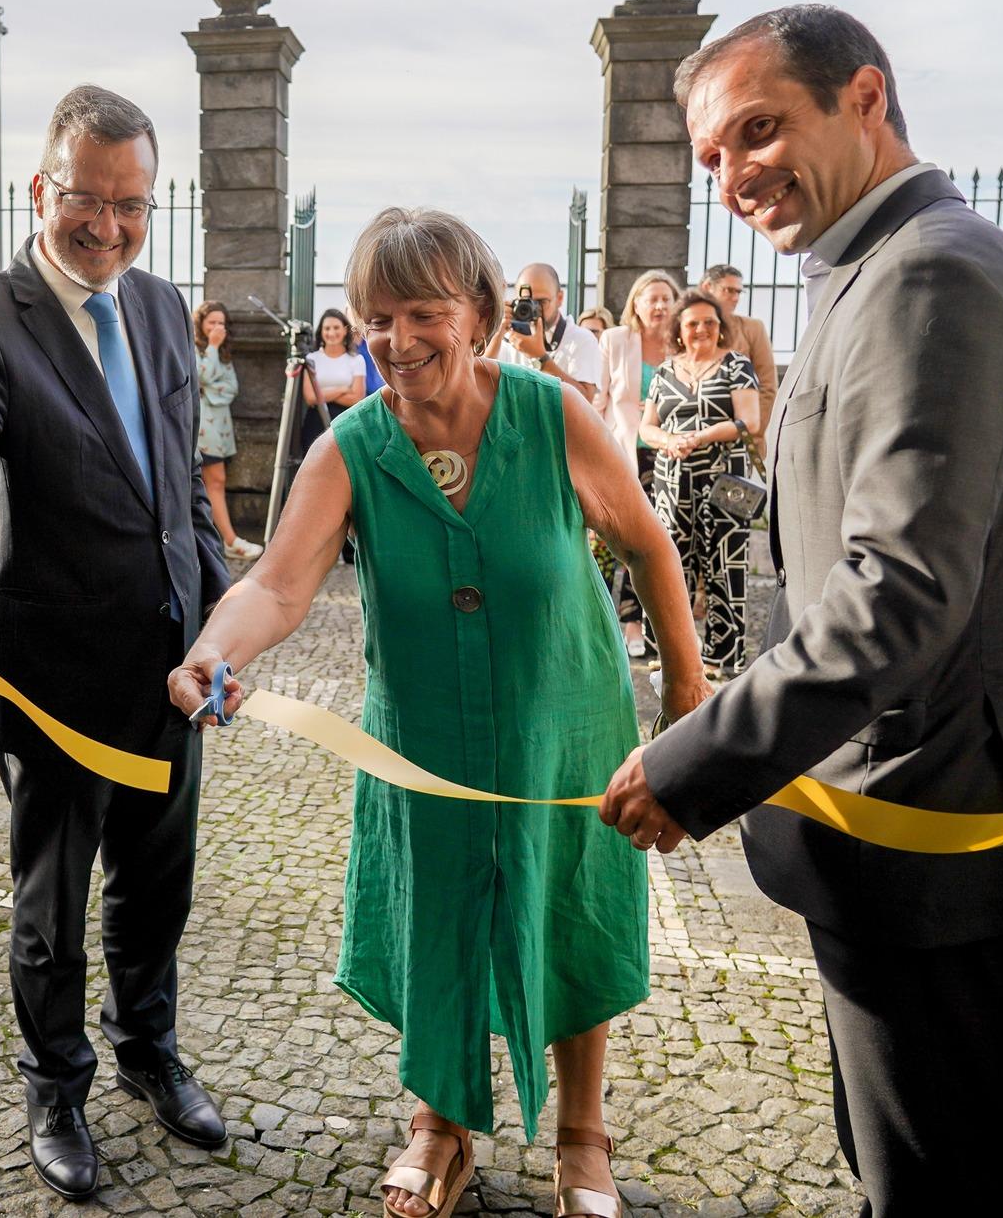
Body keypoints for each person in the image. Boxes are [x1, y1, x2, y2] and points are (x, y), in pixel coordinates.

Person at [599, 4, 1003, 1217]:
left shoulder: (927, 271)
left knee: (938, 1189)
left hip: (937, 825)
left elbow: (897, 594)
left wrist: (694, 758)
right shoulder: (875, 265)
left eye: (759, 130)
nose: (730, 176)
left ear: (865, 99)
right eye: (711, 155)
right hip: (899, 821)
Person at [169, 207, 707, 1218]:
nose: (396, 339)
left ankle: (582, 1138)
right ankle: (438, 1122)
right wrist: (211, 652)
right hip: (422, 738)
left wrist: (684, 692)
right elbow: (278, 587)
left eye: (423, 312)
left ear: (482, 314)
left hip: (565, 724)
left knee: (569, 908)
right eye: (375, 316)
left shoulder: (552, 415)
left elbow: (647, 544)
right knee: (437, 913)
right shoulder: (352, 446)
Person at [0, 85, 231, 1202]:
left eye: (130, 205)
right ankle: (55, 1083)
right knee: (52, 906)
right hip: (48, 680)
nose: (108, 226)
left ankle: (147, 1053)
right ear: (42, 189)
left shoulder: (163, 305)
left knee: (157, 885)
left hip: (170, 666)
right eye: (87, 199)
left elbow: (176, 487)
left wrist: (219, 623)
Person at [638, 289, 761, 676]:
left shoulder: (737, 365)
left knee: (726, 562)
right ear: (679, 330)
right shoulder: (664, 371)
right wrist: (669, 440)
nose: (702, 329)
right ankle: (672, 654)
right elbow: (647, 428)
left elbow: (749, 422)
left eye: (710, 322)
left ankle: (723, 657)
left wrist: (701, 436)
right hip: (672, 480)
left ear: (720, 327)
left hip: (727, 477)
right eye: (693, 323)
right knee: (670, 564)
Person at [597, 270, 681, 655]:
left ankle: (638, 623)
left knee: (655, 538)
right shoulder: (616, 340)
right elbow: (599, 398)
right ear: (636, 303)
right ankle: (616, 619)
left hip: (667, 454)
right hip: (624, 452)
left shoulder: (681, 343)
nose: (660, 305)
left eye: (667, 298)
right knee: (620, 536)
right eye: (653, 298)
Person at [192, 300, 261, 560]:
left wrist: (208, 391)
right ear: (201, 324)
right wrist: (212, 347)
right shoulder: (199, 348)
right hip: (201, 429)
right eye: (212, 322)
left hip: (219, 428)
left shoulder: (222, 353)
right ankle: (230, 540)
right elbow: (200, 377)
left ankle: (216, 540)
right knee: (214, 481)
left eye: (222, 323)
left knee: (213, 482)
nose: (218, 327)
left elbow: (231, 387)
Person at [485, 262, 601, 403]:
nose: (534, 308)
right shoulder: (507, 336)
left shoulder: (580, 339)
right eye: (526, 302)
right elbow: (479, 380)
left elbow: (585, 400)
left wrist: (540, 358)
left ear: (559, 298)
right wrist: (497, 332)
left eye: (541, 302)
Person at [699, 263, 778, 458]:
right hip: (694, 444)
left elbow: (768, 386)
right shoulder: (686, 329)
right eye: (729, 291)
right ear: (707, 287)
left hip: (743, 443)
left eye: (739, 292)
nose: (735, 298)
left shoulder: (752, 329)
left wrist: (751, 432)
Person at [298, 306, 367, 452]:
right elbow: (310, 397)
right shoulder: (312, 359)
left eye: (336, 327)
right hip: (315, 422)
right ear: (321, 332)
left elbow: (357, 398)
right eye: (327, 328)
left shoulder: (357, 360)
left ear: (344, 330)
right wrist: (342, 389)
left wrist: (322, 393)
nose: (331, 332)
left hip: (347, 420)